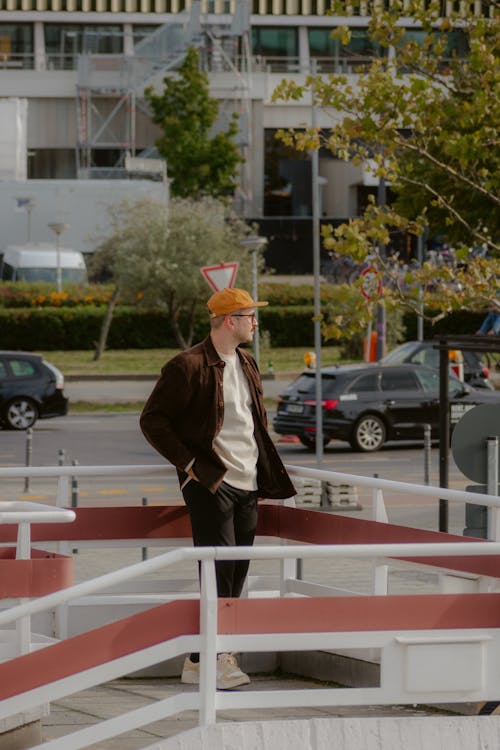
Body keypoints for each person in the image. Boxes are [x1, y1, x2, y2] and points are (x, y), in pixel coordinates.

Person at [140, 287, 295, 690]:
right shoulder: (187, 366)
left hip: (248, 481)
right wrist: (190, 465)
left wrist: (260, 475)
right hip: (211, 482)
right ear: (230, 320)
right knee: (218, 571)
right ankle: (221, 656)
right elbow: (153, 420)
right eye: (249, 316)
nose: (255, 323)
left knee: (237, 571)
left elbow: (252, 424)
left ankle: (197, 660)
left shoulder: (246, 362)